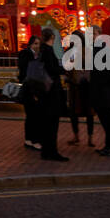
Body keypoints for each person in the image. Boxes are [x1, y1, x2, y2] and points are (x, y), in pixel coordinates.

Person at [36, 28, 69, 160]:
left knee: (47, 122)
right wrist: (64, 69)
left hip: (44, 91)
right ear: (53, 37)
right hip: (51, 91)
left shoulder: (41, 51)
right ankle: (51, 151)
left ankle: (46, 150)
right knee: (52, 122)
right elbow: (52, 69)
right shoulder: (48, 51)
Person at [89, 26, 110, 157]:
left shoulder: (100, 52)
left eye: (93, 34)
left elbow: (103, 73)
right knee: (107, 120)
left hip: (103, 92)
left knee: (109, 120)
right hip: (104, 91)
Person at [16, 32, 45, 153]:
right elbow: (24, 71)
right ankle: (33, 139)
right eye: (35, 44)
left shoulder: (39, 55)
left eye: (39, 44)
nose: (37, 46)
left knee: (32, 115)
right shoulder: (25, 54)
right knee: (33, 115)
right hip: (29, 88)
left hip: (35, 87)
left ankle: (29, 138)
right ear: (31, 44)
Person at [66, 64, 95, 147]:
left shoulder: (90, 66)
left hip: (87, 93)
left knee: (89, 116)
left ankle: (89, 138)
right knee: (74, 115)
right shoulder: (74, 66)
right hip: (76, 94)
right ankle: (77, 136)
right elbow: (69, 75)